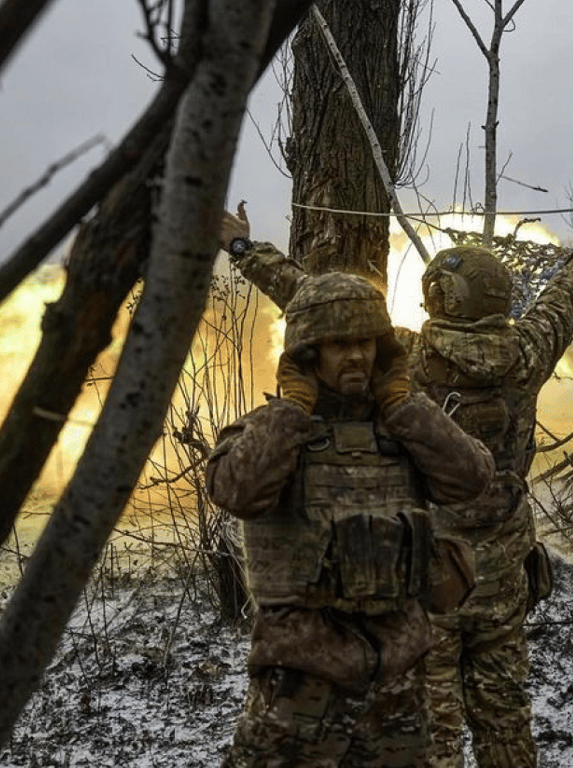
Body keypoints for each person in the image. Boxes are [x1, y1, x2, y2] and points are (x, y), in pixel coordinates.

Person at [205, 269, 495, 767]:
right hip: (301, 679)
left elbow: (471, 479)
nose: (356, 355)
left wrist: (403, 404)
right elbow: (236, 489)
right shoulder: (276, 429)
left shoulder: (404, 426)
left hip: (398, 678)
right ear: (308, 353)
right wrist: (294, 410)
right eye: (338, 344)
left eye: (365, 341)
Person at [414, 202, 573, 768]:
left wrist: (245, 251)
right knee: (505, 722)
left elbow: (321, 310)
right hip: (502, 579)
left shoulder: (403, 361)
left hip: (427, 579)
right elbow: (568, 292)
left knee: (430, 731)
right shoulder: (528, 354)